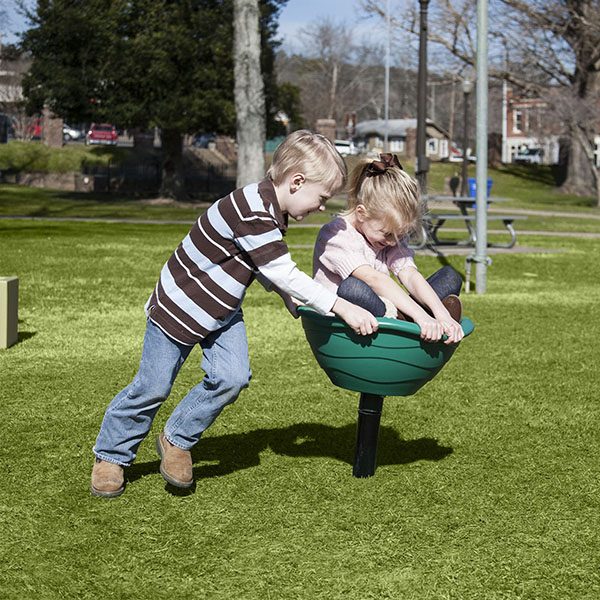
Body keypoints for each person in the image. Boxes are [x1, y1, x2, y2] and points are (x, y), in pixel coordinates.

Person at [91, 130, 379, 498]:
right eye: (322, 198)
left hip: (221, 308)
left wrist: (288, 299)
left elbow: (261, 265)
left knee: (232, 376)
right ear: (296, 182)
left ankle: (176, 438)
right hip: (180, 305)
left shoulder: (271, 211)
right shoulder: (251, 210)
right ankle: (111, 456)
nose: (321, 207)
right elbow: (279, 270)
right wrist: (340, 305)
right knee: (153, 386)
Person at [313, 153, 464, 346]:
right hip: (345, 323)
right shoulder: (336, 234)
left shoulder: (388, 237)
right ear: (361, 213)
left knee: (450, 276)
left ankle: (408, 322)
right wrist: (420, 315)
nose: (393, 242)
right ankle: (406, 324)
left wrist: (441, 314)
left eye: (400, 235)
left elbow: (409, 275)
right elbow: (374, 279)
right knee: (351, 288)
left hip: (385, 310)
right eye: (386, 234)